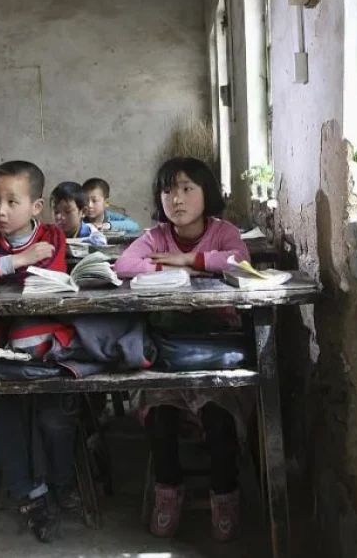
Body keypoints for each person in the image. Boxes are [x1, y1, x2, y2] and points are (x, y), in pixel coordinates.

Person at [113, 157, 251, 542]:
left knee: (219, 419)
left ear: (208, 193)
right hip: (170, 349)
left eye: (188, 188)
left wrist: (190, 258)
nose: (177, 199)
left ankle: (225, 493)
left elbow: (240, 261)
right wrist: (179, 272)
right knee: (160, 417)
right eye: (168, 190)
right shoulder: (156, 236)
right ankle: (168, 489)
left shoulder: (223, 232)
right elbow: (124, 265)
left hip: (217, 346)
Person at [0, 161, 79, 542]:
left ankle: (61, 481)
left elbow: (47, 276)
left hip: (44, 346)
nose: (0, 209)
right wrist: (17, 261)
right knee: (1, 407)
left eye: (12, 201)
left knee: (52, 414)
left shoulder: (52, 235)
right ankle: (31, 495)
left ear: (36, 206)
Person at [50, 181, 107, 247]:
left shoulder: (91, 233)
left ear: (83, 212)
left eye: (67, 211)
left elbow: (101, 241)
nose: (59, 217)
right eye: (56, 212)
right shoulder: (50, 233)